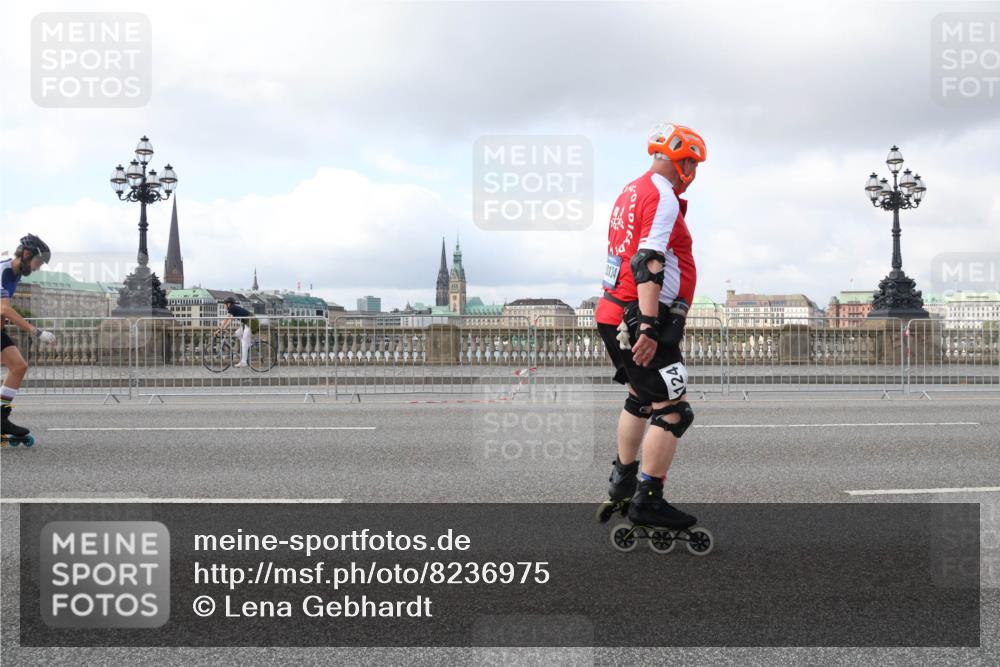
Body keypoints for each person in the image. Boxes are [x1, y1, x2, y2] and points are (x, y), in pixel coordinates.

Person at [595, 123, 706, 529]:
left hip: (611, 310)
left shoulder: (630, 190)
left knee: (639, 398)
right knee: (674, 410)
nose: (691, 171)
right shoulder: (662, 195)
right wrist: (648, 325)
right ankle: (648, 499)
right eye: (691, 163)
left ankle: (622, 482)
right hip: (638, 313)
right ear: (682, 160)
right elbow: (648, 260)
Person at [1, 234, 57, 446]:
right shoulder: (5, 269)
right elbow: (4, 308)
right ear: (26, 254)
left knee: (19, 366)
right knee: (18, 366)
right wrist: (36, 332)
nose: (38, 268)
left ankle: (1, 419)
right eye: (38, 262)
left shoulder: (15, 274)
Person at [217, 296, 258, 368]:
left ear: (228, 304)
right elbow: (229, 320)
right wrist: (222, 329)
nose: (224, 306)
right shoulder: (234, 308)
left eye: (224, 304)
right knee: (237, 334)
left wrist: (221, 329)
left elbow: (227, 320)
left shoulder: (232, 308)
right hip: (247, 323)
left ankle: (244, 362)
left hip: (251, 322)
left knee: (244, 341)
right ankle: (248, 346)